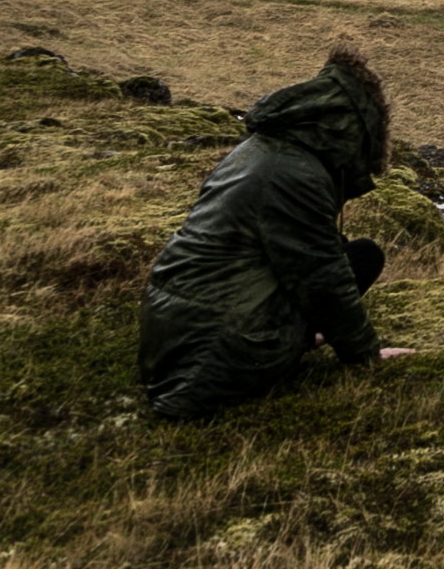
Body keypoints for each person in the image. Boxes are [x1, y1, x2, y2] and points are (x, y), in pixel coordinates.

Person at [139, 46, 411, 420]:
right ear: (348, 129)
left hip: (180, 323)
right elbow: (322, 278)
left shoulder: (265, 151)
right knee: (332, 271)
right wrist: (366, 355)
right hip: (209, 353)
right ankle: (283, 344)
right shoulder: (292, 175)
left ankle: (297, 337)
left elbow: (315, 253)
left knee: (360, 256)